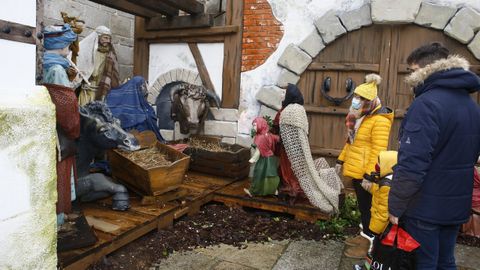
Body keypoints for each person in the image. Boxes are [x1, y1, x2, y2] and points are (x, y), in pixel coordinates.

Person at [388, 42, 480, 269]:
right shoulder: (470, 105)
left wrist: (395, 206)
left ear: (425, 69)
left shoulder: (426, 104)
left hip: (425, 207)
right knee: (446, 261)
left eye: (411, 71)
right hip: (456, 205)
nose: (409, 77)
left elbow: (412, 164)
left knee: (424, 263)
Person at [336, 74, 394, 259]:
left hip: (366, 174)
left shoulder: (380, 120)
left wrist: (371, 175)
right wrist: (341, 159)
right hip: (356, 170)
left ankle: (369, 247)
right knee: (363, 208)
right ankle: (363, 237)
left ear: (370, 102)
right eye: (356, 98)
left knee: (370, 209)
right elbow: (351, 143)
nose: (356, 102)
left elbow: (379, 150)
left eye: (361, 100)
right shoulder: (360, 118)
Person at [42, 24, 80, 225]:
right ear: (61, 45)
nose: (70, 49)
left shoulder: (48, 64)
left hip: (52, 126)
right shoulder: (56, 68)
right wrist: (74, 126)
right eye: (68, 44)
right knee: (60, 171)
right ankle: (57, 220)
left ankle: (61, 215)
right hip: (59, 131)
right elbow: (65, 104)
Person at [272, 84, 306, 203]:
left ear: (290, 95)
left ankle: (290, 192)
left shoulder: (290, 110)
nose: (281, 94)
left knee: (288, 170)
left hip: (289, 147)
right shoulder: (294, 109)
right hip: (290, 146)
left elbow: (281, 125)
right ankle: (287, 191)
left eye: (284, 93)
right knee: (287, 169)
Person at [76, 26, 119, 105]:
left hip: (102, 87)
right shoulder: (88, 50)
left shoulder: (110, 54)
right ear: (98, 37)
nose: (108, 41)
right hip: (88, 87)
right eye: (105, 38)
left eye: (109, 38)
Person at [244, 117, 280, 196]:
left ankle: (253, 191)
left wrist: (252, 160)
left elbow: (258, 152)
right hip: (271, 158)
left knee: (258, 175)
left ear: (260, 125)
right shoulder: (269, 135)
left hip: (263, 159)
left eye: (255, 125)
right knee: (271, 174)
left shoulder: (259, 137)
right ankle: (273, 190)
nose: (254, 128)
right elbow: (277, 138)